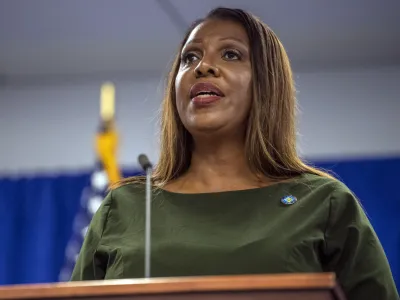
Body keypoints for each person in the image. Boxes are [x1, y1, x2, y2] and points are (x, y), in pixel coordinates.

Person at [71, 7, 399, 300]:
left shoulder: (324, 203)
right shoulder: (123, 207)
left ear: (266, 83)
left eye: (230, 54)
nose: (203, 67)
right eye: (190, 57)